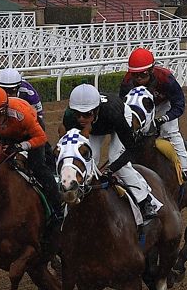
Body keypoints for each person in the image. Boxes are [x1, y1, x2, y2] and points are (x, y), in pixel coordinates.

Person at [0, 85, 63, 251]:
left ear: (1, 111)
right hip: (7, 136)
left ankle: (57, 210)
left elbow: (41, 137)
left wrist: (23, 146)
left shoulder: (22, 113)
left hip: (29, 136)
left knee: (39, 169)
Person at [62, 83, 162, 224]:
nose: (81, 119)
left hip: (119, 120)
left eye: (86, 114)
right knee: (90, 159)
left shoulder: (112, 113)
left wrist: (110, 170)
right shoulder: (70, 118)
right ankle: (77, 194)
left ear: (96, 110)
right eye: (77, 114)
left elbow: (132, 148)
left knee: (115, 158)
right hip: (97, 127)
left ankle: (145, 201)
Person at [120, 48, 187, 181]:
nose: (139, 79)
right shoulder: (127, 82)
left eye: (143, 75)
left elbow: (179, 105)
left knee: (170, 131)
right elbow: (122, 105)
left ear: (152, 70)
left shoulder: (166, 79)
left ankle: (185, 167)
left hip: (162, 105)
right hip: (140, 108)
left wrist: (164, 118)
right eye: (135, 76)